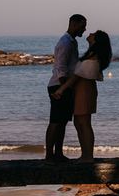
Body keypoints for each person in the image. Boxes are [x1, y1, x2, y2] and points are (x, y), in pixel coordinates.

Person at [52, 30, 111, 163]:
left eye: (93, 34)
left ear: (96, 40)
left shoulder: (94, 55)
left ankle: (88, 156)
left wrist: (62, 88)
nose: (90, 33)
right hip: (80, 88)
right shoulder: (91, 53)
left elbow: (78, 75)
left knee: (84, 123)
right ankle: (84, 155)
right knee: (79, 123)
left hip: (85, 88)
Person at [45, 14, 86, 164]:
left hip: (64, 86)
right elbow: (60, 68)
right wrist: (63, 89)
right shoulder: (65, 43)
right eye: (82, 26)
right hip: (58, 85)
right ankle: (49, 156)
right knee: (55, 122)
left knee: (62, 122)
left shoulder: (72, 42)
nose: (84, 29)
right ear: (73, 25)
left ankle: (59, 154)